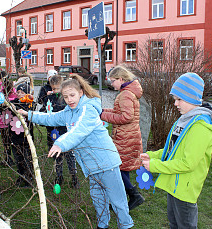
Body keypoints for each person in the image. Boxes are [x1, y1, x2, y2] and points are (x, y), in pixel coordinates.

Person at [18, 74, 133, 229]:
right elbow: (51, 118)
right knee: (98, 200)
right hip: (91, 166)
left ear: (80, 92)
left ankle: (125, 225)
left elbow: (80, 130)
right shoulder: (69, 111)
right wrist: (29, 115)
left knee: (117, 201)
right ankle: (102, 225)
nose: (69, 100)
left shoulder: (89, 109)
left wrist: (60, 144)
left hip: (106, 162)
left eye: (72, 95)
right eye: (65, 97)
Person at [140, 73, 212, 229]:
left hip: (185, 189)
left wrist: (155, 166)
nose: (175, 104)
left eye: (179, 99)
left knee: (185, 226)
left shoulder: (200, 127)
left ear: (192, 98)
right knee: (174, 223)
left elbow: (188, 163)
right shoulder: (184, 120)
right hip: (174, 185)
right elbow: (172, 150)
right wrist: (151, 155)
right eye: (175, 99)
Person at [100, 65, 145, 210]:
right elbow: (118, 111)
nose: (111, 84)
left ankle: (135, 196)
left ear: (121, 79)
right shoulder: (128, 93)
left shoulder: (125, 94)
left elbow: (125, 117)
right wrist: (101, 111)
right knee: (123, 168)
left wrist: (102, 115)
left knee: (117, 169)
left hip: (125, 138)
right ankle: (122, 201)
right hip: (128, 136)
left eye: (113, 81)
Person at [42, 74, 79, 188]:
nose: (55, 91)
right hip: (54, 132)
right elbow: (44, 111)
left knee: (70, 156)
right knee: (57, 157)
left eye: (57, 89)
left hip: (66, 131)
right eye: (53, 89)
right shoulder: (49, 98)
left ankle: (74, 178)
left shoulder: (65, 99)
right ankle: (59, 177)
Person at [6, 82, 35, 187]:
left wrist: (14, 107)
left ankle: (29, 176)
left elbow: (24, 110)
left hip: (25, 138)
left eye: (22, 92)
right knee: (18, 158)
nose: (19, 94)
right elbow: (6, 105)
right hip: (14, 136)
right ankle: (21, 175)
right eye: (18, 92)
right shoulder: (14, 102)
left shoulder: (30, 104)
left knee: (27, 157)